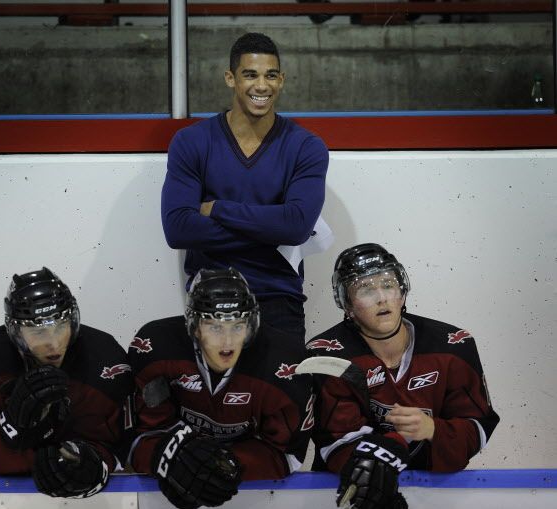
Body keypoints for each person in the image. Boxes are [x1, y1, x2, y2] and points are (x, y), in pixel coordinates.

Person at [161, 32, 329, 339]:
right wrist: (271, 229)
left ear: (282, 80)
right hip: (209, 296)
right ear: (230, 78)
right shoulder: (192, 141)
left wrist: (217, 209)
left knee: (285, 388)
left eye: (271, 76)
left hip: (279, 298)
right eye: (250, 75)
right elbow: (178, 229)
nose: (262, 86)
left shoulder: (306, 146)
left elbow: (296, 228)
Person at [306, 243, 500, 509]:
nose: (382, 298)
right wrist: (390, 450)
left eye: (388, 285)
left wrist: (433, 429)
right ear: (347, 304)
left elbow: (478, 427)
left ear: (402, 293)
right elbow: (334, 442)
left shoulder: (453, 346)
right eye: (365, 289)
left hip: (437, 490)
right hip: (352, 491)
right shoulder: (326, 356)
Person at [127, 268, 313, 509]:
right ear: (194, 327)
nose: (227, 342)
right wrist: (170, 456)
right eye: (215, 327)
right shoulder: (156, 348)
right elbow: (140, 434)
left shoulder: (285, 362)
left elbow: (288, 454)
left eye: (238, 326)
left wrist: (226, 465)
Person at [0, 267, 132, 499]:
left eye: (60, 327)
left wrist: (90, 466)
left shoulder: (106, 361)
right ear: (15, 331)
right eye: (38, 332)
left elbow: (120, 448)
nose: (54, 344)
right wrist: (13, 428)